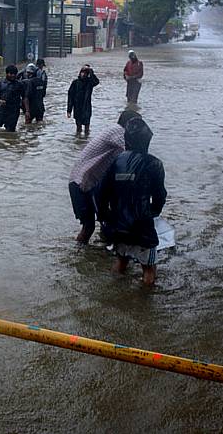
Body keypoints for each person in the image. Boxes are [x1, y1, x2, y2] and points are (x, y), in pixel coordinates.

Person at [97, 117, 167, 286]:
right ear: (147, 139)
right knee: (149, 268)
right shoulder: (154, 163)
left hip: (119, 224)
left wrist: (106, 217)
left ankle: (114, 294)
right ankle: (143, 306)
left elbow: (101, 193)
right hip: (142, 227)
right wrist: (152, 213)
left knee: (121, 262)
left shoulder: (115, 162)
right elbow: (160, 196)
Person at [69, 109, 140, 245]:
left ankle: (99, 253)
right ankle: (79, 253)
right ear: (129, 124)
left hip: (89, 182)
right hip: (81, 183)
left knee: (105, 219)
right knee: (89, 227)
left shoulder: (115, 131)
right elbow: (134, 152)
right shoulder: (118, 131)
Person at [0, 64, 28, 132]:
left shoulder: (20, 85)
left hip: (13, 112)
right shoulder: (1, 83)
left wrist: (27, 111)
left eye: (14, 74)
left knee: (10, 132)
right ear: (7, 73)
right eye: (11, 74)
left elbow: (25, 98)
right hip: (0, 111)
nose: (13, 75)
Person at [67, 64, 100, 135]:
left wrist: (91, 71)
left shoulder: (89, 83)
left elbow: (96, 82)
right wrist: (69, 110)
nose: (83, 74)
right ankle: (78, 141)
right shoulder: (75, 83)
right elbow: (70, 97)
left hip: (86, 108)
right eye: (82, 72)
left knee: (87, 129)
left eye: (85, 72)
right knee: (78, 128)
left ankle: (86, 141)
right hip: (77, 108)